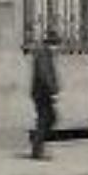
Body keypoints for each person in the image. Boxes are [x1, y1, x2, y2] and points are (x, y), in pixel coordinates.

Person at [30, 29, 60, 161]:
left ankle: (38, 148)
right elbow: (44, 74)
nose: (57, 48)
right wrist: (53, 91)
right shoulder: (43, 54)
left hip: (42, 92)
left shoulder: (45, 53)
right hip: (42, 92)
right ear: (50, 43)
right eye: (56, 44)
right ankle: (37, 151)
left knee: (48, 119)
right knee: (47, 120)